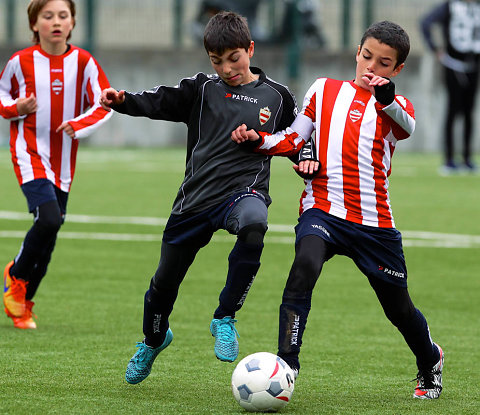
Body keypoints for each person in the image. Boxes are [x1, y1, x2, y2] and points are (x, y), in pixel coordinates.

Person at [231, 20, 444, 400]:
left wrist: (388, 99)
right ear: (356, 52)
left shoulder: (395, 106)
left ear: (397, 70)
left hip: (373, 223)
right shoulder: (323, 90)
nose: (371, 68)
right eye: (366, 57)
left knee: (398, 308)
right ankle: (287, 364)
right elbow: (295, 137)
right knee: (305, 265)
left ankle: (430, 360)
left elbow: (407, 126)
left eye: (383, 63)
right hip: (323, 208)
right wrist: (258, 139)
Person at [100, 11, 306, 385]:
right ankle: (154, 339)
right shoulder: (202, 88)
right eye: (216, 60)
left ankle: (225, 316)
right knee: (164, 284)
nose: (226, 68)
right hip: (194, 202)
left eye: (234, 58)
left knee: (255, 224)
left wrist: (307, 161)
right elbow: (158, 101)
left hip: (243, 193)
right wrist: (123, 100)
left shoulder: (277, 98)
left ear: (251, 49)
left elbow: (296, 141)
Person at [0, 0, 112, 329]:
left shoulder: (84, 61)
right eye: (47, 16)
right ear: (35, 24)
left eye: (63, 15)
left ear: (73, 22)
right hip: (29, 152)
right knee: (48, 219)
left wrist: (78, 125)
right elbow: (2, 95)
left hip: (63, 163)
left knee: (50, 236)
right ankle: (15, 276)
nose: (56, 21)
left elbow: (104, 102)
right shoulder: (20, 62)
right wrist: (17, 107)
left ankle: (23, 303)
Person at [420, 0, 480, 174]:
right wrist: (435, 48)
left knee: (469, 112)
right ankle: (448, 159)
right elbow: (426, 22)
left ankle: (467, 159)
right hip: (453, 65)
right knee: (453, 110)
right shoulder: (449, 6)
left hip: (473, 67)